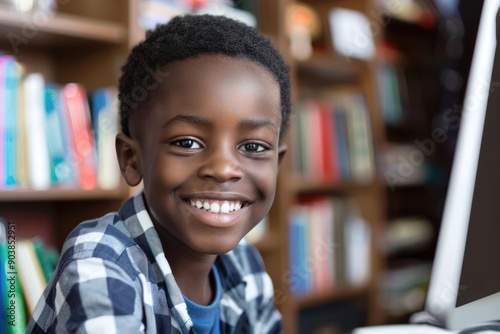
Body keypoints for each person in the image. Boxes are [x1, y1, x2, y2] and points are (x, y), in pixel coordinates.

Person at [27, 14, 291, 334]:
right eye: (187, 142)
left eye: (253, 147)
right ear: (131, 159)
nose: (223, 169)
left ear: (278, 161)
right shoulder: (100, 259)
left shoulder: (245, 265)